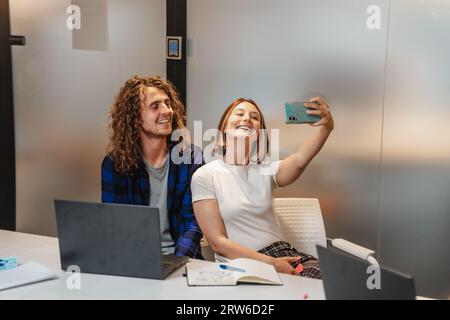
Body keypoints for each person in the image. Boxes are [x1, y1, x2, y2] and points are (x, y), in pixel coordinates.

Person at [191, 97, 334, 277]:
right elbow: (218, 243)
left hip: (284, 255)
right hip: (243, 266)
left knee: (337, 283)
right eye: (239, 113)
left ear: (259, 133)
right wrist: (272, 264)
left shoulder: (266, 169)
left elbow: (299, 161)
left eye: (254, 117)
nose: (247, 119)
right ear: (223, 130)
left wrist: (327, 127)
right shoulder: (205, 175)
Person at [101, 75, 203, 259]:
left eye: (168, 103)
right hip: (134, 258)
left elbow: (193, 224)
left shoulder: (191, 158)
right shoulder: (115, 164)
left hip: (182, 258)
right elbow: (116, 224)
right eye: (155, 106)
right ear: (134, 117)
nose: (167, 111)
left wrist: (176, 261)